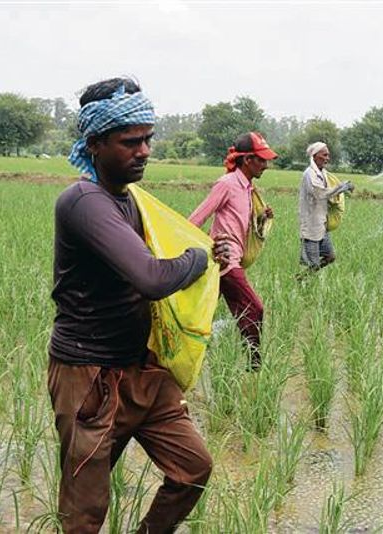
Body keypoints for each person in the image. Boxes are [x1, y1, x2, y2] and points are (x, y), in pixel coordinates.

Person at [49, 77, 231, 533]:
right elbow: (151, 277)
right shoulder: (83, 203)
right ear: (95, 143)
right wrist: (198, 257)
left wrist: (206, 253)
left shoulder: (129, 202)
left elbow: (165, 254)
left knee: (193, 468)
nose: (145, 150)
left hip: (142, 372)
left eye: (148, 138)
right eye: (131, 141)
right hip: (90, 378)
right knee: (84, 512)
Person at [189, 132, 278, 371]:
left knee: (199, 313)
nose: (266, 165)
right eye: (262, 160)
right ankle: (255, 366)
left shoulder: (248, 188)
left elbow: (240, 222)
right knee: (255, 308)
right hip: (225, 259)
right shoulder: (227, 184)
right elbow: (198, 217)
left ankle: (184, 352)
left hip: (232, 257)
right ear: (247, 159)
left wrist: (261, 217)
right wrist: (179, 245)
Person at [298, 142, 354, 272]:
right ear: (315, 156)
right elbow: (321, 193)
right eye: (325, 155)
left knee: (330, 256)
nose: (327, 158)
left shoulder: (323, 173)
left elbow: (329, 190)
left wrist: (342, 188)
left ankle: (302, 280)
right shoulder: (310, 174)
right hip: (311, 225)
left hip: (322, 224)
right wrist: (342, 187)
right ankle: (301, 282)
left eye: (328, 155)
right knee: (313, 264)